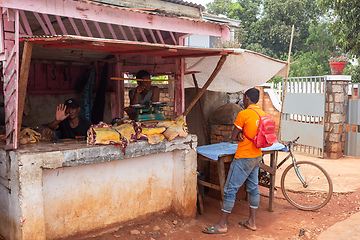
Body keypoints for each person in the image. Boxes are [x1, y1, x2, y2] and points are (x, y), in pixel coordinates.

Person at [203, 88, 265, 234]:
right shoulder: (262, 114)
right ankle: (252, 222)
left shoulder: (243, 114)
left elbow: (233, 137)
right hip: (257, 156)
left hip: (243, 157)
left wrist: (239, 137)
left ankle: (222, 225)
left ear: (247, 98)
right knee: (253, 189)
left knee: (230, 190)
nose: (243, 101)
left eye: (244, 98)